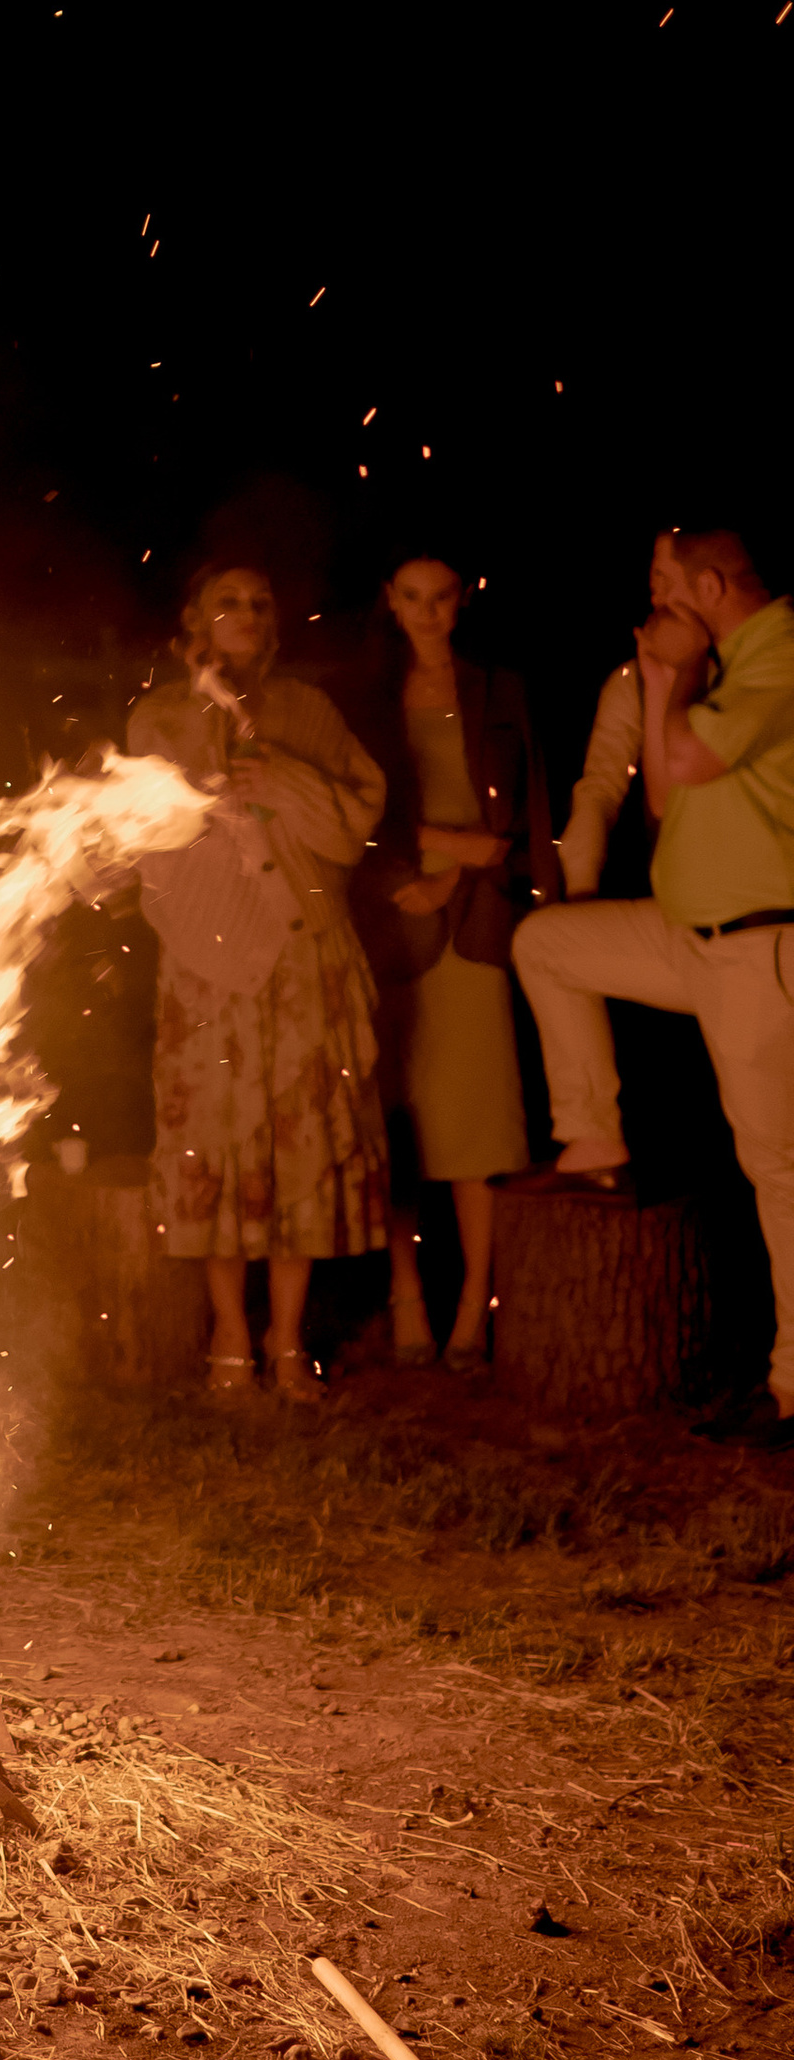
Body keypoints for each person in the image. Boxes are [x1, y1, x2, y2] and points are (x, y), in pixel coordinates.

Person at [513, 523, 794, 1433]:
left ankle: (791, 1387)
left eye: (668, 585)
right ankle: (591, 1144)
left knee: (779, 1167)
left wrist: (673, 677)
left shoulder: (778, 653)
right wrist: (668, 677)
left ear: (709, 586)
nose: (654, 603)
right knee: (550, 943)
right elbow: (660, 796)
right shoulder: (685, 670)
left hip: (759, 943)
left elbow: (682, 764)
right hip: (691, 934)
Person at [126, 562, 389, 1398]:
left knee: (300, 1148)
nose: (245, 613)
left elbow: (354, 825)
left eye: (260, 601)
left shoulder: (309, 712)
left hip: (303, 958)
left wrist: (283, 781)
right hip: (208, 966)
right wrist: (207, 807)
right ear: (195, 620)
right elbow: (141, 835)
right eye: (227, 601)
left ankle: (286, 1337)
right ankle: (230, 1338)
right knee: (215, 1144)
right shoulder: (160, 716)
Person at [347, 553, 559, 1370]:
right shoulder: (369, 698)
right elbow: (362, 812)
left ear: (462, 600)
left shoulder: (500, 687)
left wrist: (495, 877)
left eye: (442, 597)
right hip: (399, 921)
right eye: (412, 597)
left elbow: (528, 809)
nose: (429, 611)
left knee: (478, 1122)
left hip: (478, 922)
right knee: (402, 1120)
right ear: (389, 602)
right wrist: (427, 858)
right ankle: (408, 1295)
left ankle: (475, 1305)